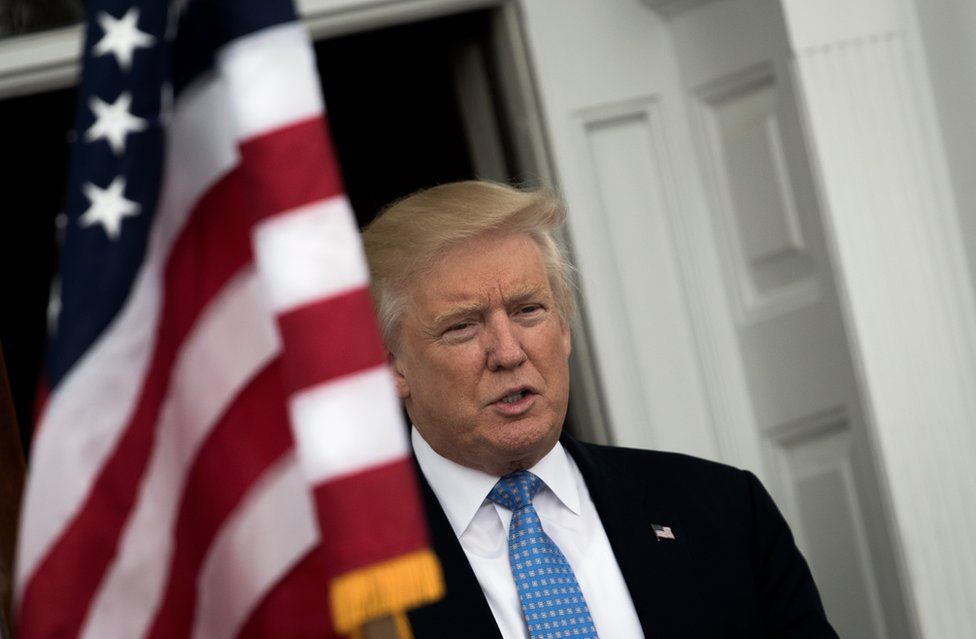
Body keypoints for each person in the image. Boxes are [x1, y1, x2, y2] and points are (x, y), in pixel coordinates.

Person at [361, 180, 837, 638]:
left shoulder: (726, 512)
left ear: (565, 329)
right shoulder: (343, 578)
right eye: (463, 326)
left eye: (529, 310)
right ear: (393, 367)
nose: (508, 352)